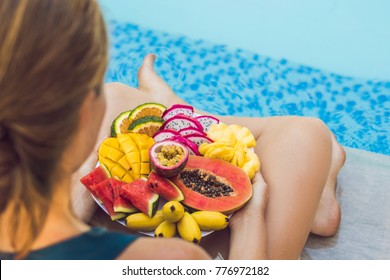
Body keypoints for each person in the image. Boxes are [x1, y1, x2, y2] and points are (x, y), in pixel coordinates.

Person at [0, 0, 344, 260]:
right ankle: (179, 111)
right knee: (306, 137)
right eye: (91, 86)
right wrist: (248, 220)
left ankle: (178, 113)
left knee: (118, 97)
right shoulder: (172, 260)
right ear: (80, 120)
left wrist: (83, 181)